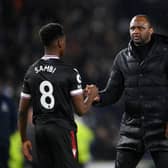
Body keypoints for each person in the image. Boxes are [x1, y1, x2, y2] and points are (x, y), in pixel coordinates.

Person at [89, 14, 168, 168]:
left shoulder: (165, 53)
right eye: (132, 28)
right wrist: (95, 97)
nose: (136, 31)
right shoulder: (122, 58)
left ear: (151, 30)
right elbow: (112, 93)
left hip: (161, 127)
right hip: (132, 129)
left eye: (140, 28)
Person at [18, 23, 98, 168]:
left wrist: (24, 139)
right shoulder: (69, 71)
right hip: (62, 131)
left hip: (40, 131)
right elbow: (81, 110)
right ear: (60, 42)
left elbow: (22, 111)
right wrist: (92, 95)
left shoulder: (31, 72)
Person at [0, 79, 17, 168]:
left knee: (5, 163)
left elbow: (14, 119)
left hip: (5, 141)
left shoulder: (7, 102)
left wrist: (9, 133)